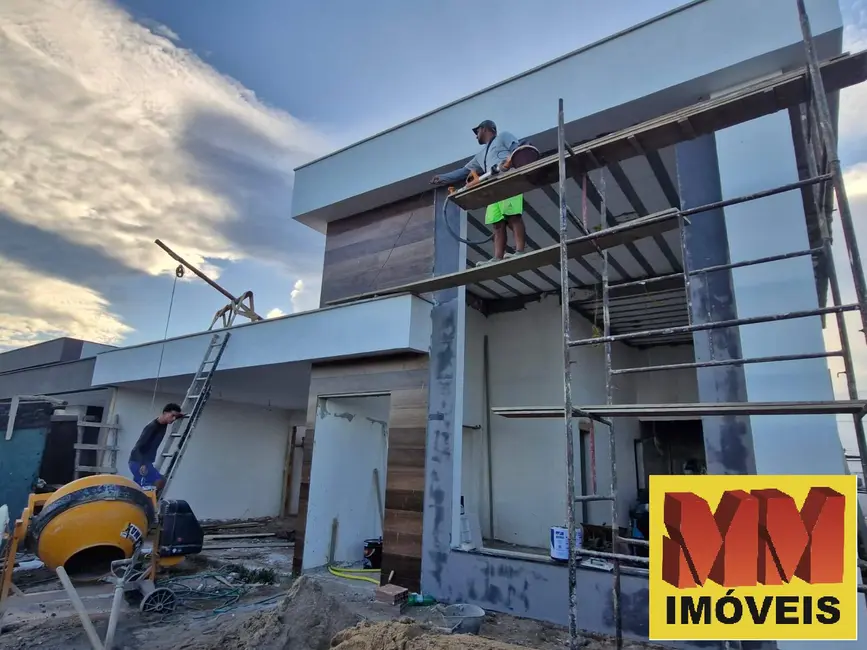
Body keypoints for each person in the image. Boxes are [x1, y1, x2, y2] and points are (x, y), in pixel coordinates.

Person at [430, 119, 527, 262]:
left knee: (513, 216)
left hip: (508, 180)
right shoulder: (481, 155)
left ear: (485, 129)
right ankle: (497, 257)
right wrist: (443, 177)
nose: (476, 136)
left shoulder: (503, 137)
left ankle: (520, 250)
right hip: (492, 187)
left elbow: (517, 149)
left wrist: (511, 162)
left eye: (477, 132)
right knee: (497, 223)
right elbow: (464, 171)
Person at [128, 403, 185, 492]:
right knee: (155, 483)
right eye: (172, 416)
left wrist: (179, 415)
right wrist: (142, 464)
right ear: (165, 413)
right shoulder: (152, 427)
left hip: (145, 462)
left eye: (175, 417)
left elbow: (171, 417)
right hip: (138, 461)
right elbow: (140, 445)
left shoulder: (164, 422)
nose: (174, 419)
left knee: (141, 487)